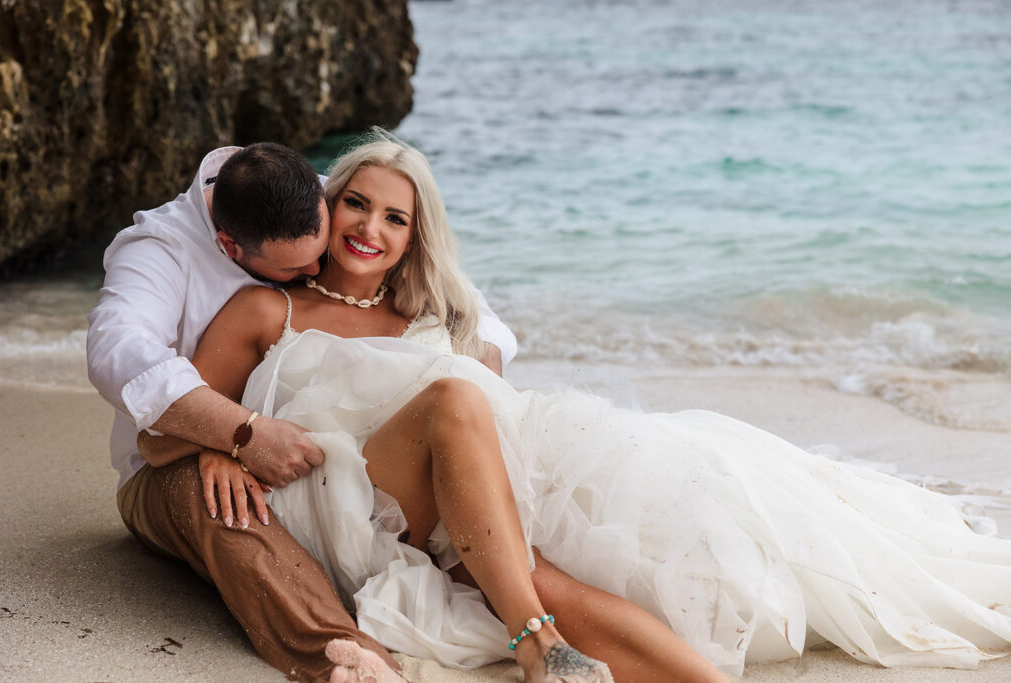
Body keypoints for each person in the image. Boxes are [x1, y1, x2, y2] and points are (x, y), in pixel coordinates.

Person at [143, 132, 1011, 681]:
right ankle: (533, 642)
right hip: (338, 500)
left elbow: (489, 383)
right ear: (326, 206)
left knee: (552, 572)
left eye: (396, 219)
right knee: (451, 401)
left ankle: (572, 649)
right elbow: (162, 427)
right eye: (357, 203)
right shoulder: (268, 308)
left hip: (444, 495)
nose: (371, 227)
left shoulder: (429, 319)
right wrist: (226, 444)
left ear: (416, 238)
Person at [86, 142, 518, 682]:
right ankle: (341, 655)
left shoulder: (307, 196)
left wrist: (483, 371)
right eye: (297, 266)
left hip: (293, 458)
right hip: (165, 460)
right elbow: (118, 354)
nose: (318, 269)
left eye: (319, 249)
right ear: (231, 247)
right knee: (228, 502)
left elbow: (462, 301)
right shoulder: (160, 251)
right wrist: (230, 436)